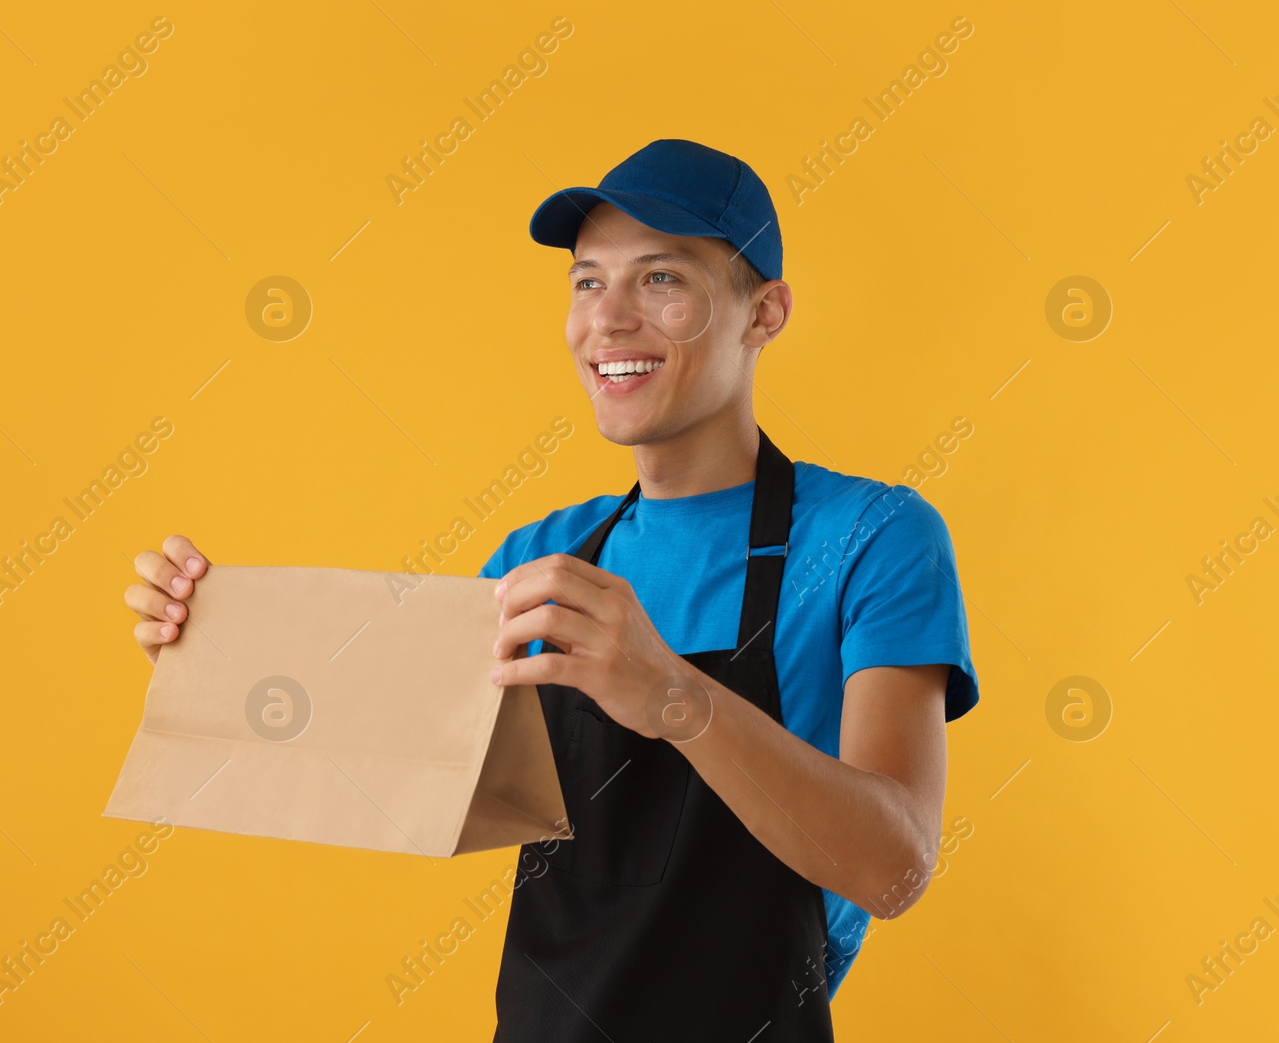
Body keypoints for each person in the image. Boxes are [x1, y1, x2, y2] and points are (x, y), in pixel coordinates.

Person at [124, 138, 979, 1041]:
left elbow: (893, 870)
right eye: (585, 281)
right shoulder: (543, 557)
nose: (607, 319)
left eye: (661, 280)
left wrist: (673, 695)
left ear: (763, 313)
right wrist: (213, 647)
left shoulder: (871, 538)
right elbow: (395, 769)